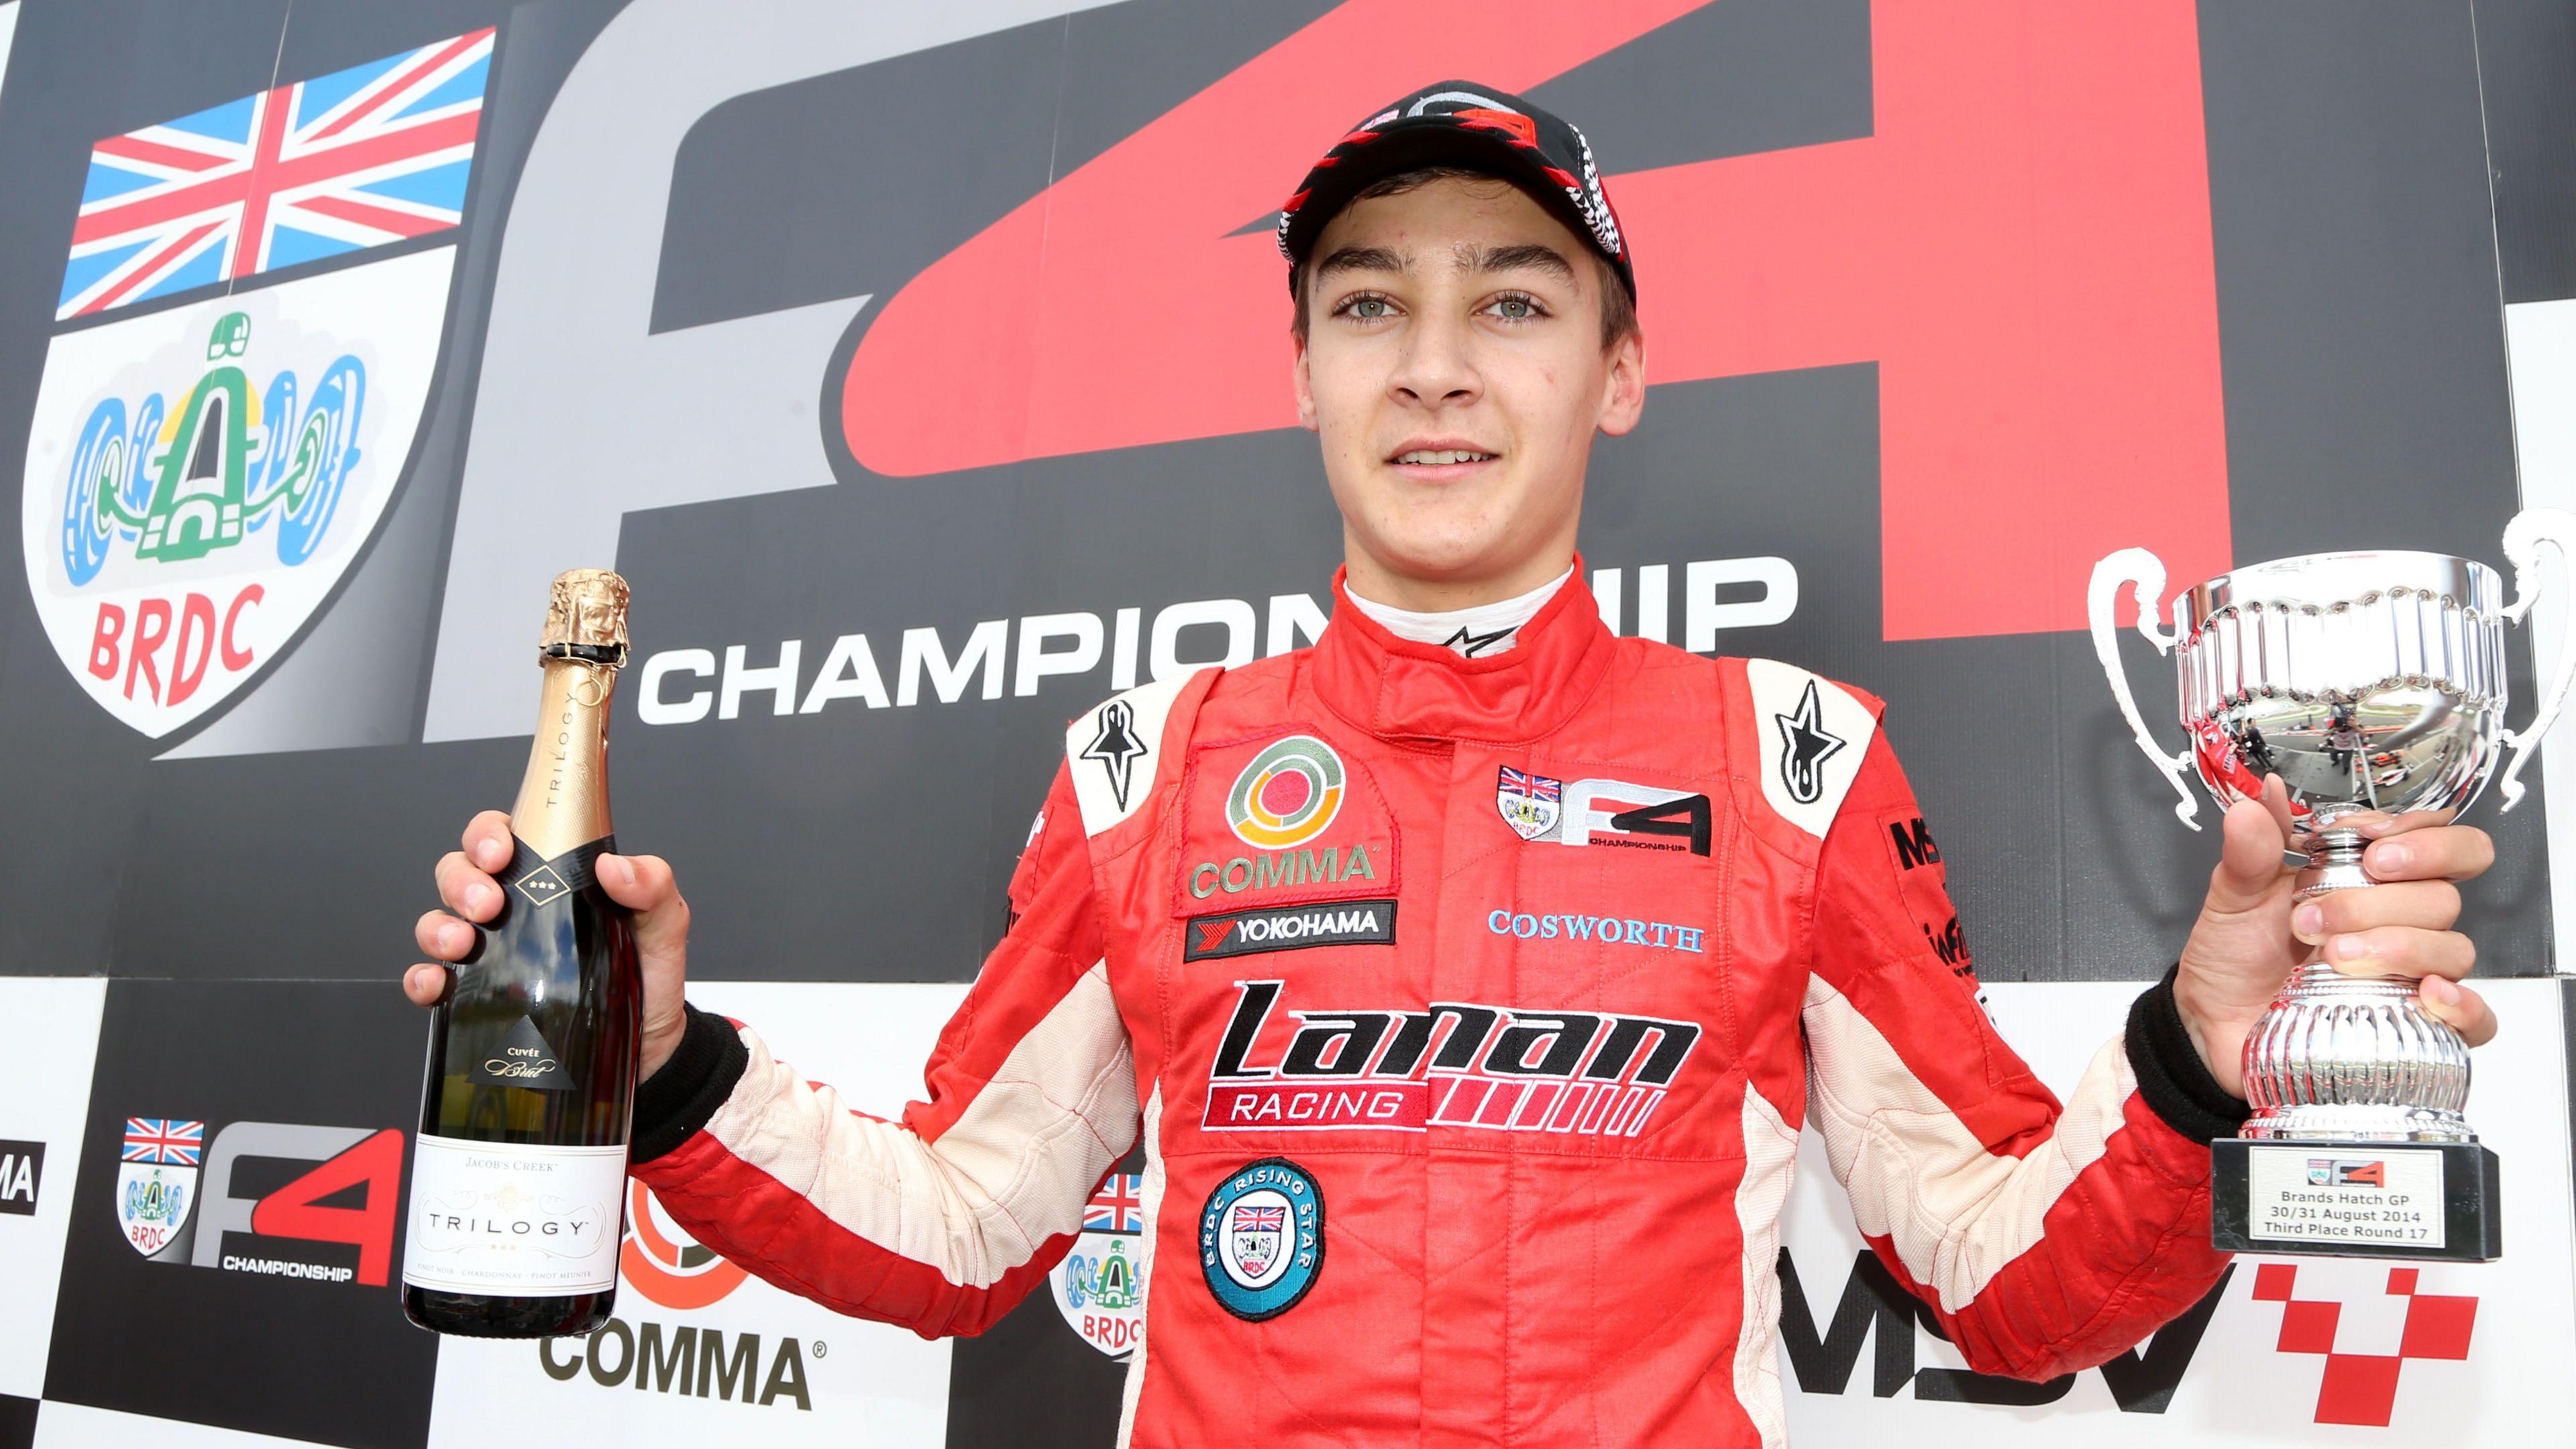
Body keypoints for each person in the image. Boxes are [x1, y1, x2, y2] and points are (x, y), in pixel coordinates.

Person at [405, 82, 2498, 1446]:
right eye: (1365, 306)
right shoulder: (1146, 766)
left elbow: (2010, 1284)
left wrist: (2199, 1059)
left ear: (1620, 370)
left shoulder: (1790, 759)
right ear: (1301, 367)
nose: (1430, 367)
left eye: (1512, 302)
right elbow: (955, 1231)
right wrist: (662, 1063)